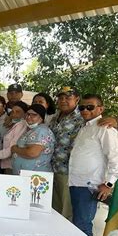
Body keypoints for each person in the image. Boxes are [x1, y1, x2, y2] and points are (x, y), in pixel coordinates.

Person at [68, 94, 118, 236]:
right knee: (77, 224)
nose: (85, 110)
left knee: (82, 226)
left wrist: (109, 184)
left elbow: (116, 160)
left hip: (90, 185)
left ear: (100, 109)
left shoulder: (106, 129)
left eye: (90, 107)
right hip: (76, 183)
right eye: (82, 107)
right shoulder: (85, 128)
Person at [49, 86, 84, 219]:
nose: (63, 100)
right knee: (52, 207)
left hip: (67, 171)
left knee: (65, 210)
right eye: (60, 98)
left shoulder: (81, 119)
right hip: (51, 168)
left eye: (68, 98)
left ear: (77, 99)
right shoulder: (55, 117)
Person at [11, 104, 55, 174]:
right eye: (28, 114)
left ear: (41, 117)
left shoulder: (41, 131)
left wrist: (15, 149)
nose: (29, 117)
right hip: (26, 176)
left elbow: (32, 153)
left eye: (34, 115)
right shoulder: (32, 130)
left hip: (35, 177)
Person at [0, 101, 28, 174]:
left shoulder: (22, 125)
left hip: (14, 166)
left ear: (25, 114)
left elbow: (12, 147)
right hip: (9, 164)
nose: (14, 114)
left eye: (18, 112)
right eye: (12, 112)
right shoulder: (14, 124)